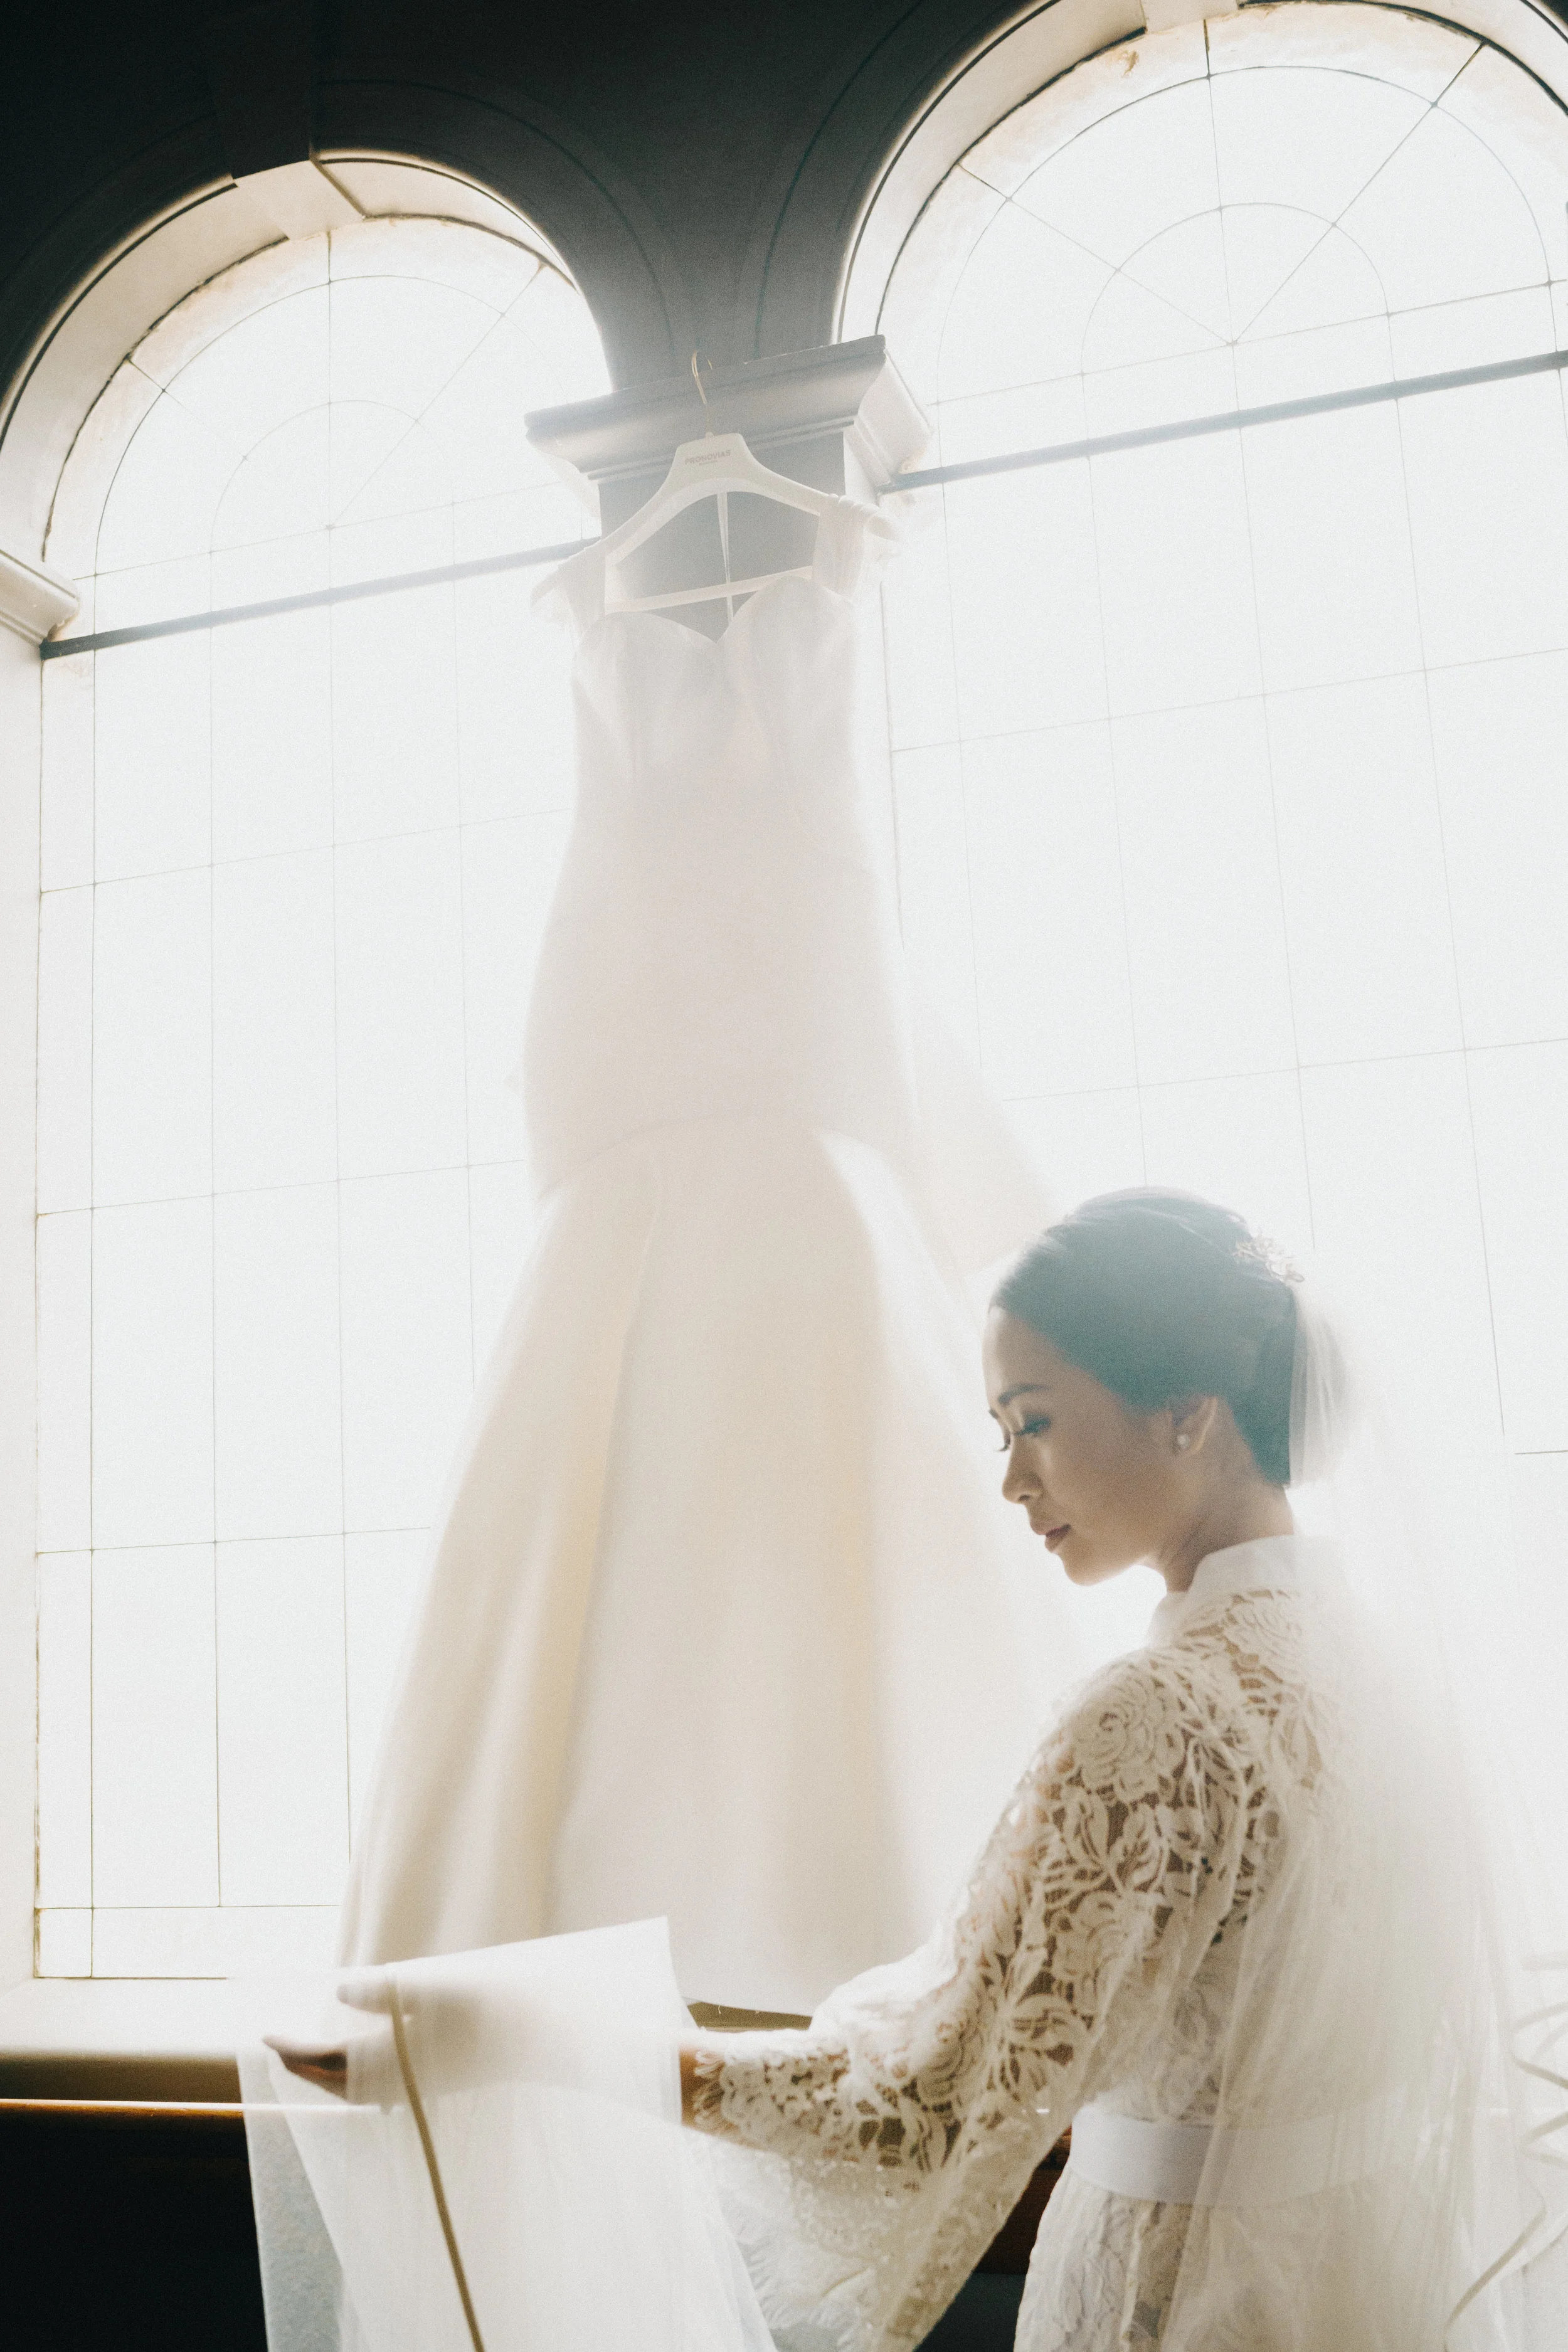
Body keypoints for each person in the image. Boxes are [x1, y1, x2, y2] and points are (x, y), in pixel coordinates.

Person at [264, 1190, 1560, 2351]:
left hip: (1182, 2303)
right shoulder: (1395, 1678)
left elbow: (918, 2105)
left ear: (1183, 1414)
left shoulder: (1157, 1715)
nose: (1010, 1481)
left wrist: (513, 2037)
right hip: (1379, 2289)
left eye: (1034, 1422)